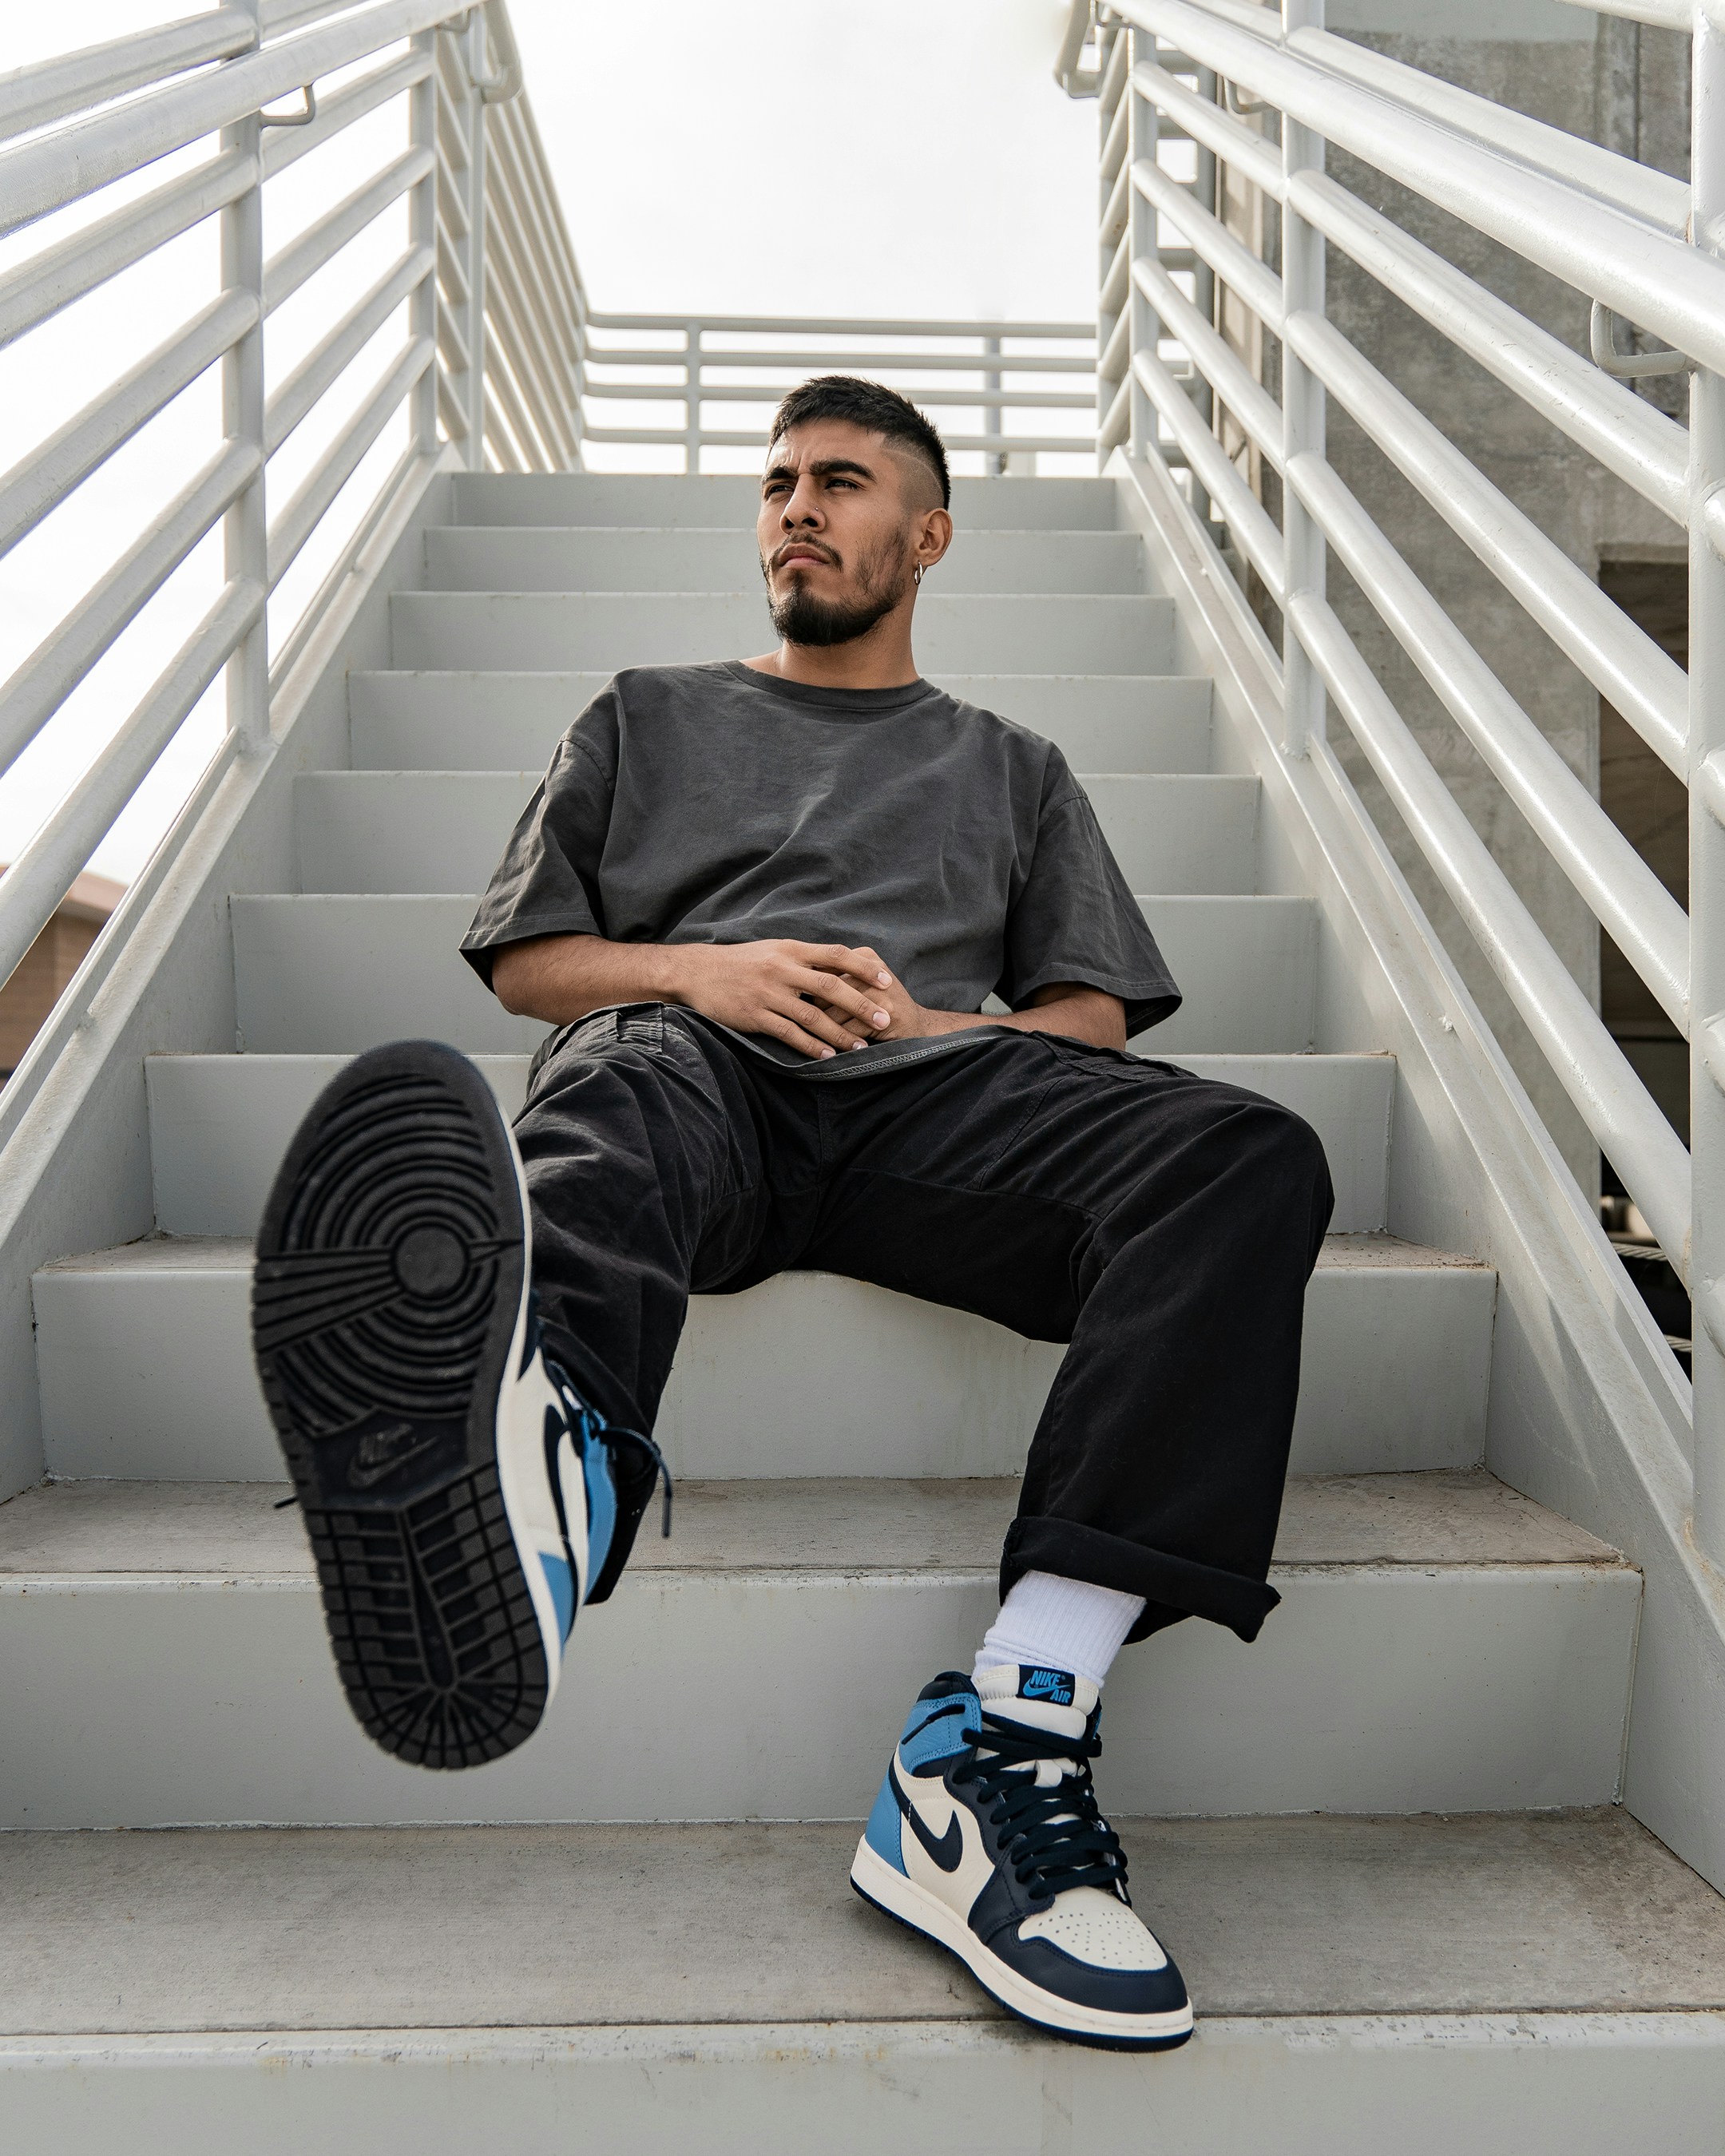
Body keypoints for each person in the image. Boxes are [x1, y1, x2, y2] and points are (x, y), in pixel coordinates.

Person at [252, 375, 1333, 2054]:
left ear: (931, 534)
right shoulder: (643, 712)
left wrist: (928, 1029)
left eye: (841, 481)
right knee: (610, 1080)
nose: (797, 510)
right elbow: (534, 964)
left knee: (1247, 1156)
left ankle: (1008, 1733)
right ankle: (542, 1469)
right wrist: (710, 970)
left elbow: (1093, 1028)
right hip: (703, 1074)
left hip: (929, 1109)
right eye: (776, 485)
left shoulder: (1012, 767)